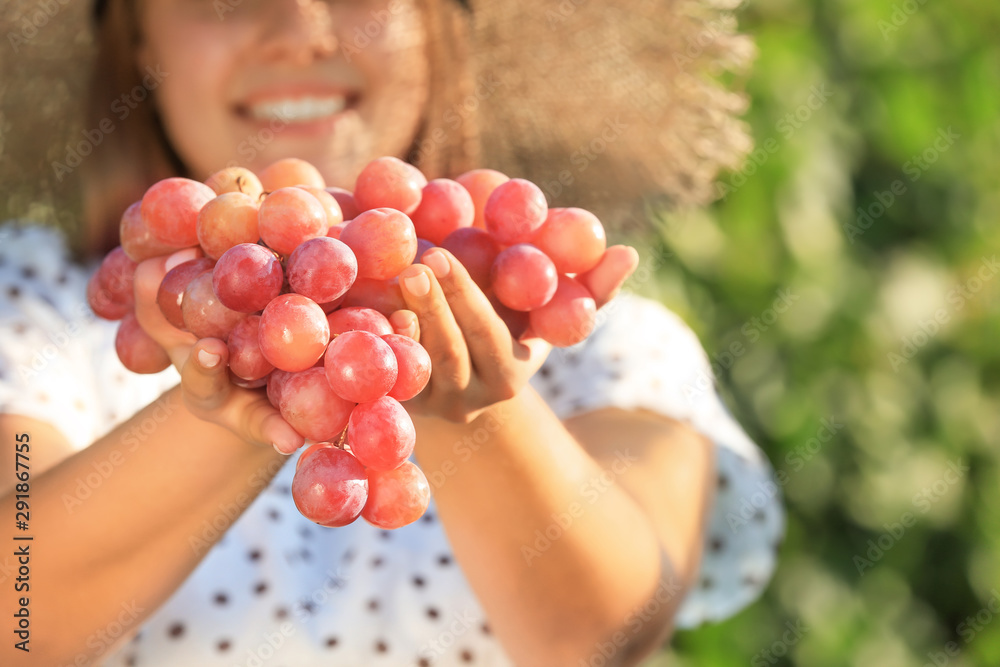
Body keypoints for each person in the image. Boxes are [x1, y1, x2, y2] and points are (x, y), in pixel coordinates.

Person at [0, 0, 783, 665]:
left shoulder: (609, 349)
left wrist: (467, 407)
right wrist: (248, 391)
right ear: (135, 34)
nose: (300, 27)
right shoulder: (28, 307)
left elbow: (600, 639)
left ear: (437, 21)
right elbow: (17, 612)